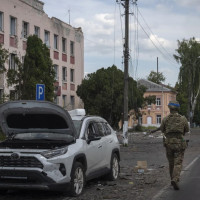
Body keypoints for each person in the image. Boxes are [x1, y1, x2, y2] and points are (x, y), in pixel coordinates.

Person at [150, 100, 189, 190]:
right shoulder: (183, 119)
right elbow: (186, 130)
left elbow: (162, 130)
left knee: (171, 163)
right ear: (177, 108)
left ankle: (172, 179)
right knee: (178, 163)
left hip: (169, 144)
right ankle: (175, 179)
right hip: (179, 143)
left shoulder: (165, 119)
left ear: (170, 108)